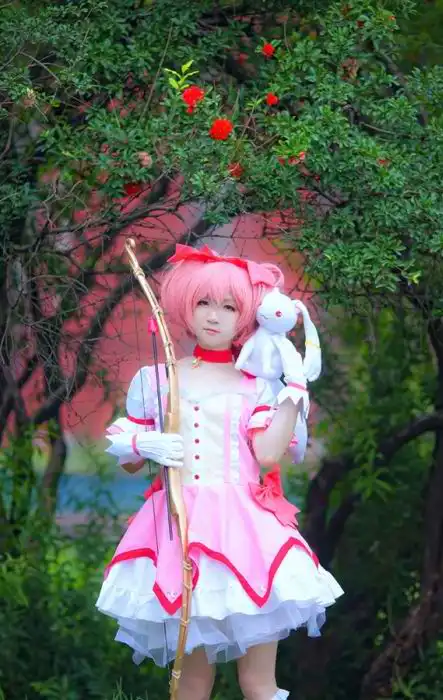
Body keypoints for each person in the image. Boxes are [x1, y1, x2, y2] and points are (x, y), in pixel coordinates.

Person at [96, 244, 343, 700]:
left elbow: (267, 454)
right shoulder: (158, 379)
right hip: (180, 530)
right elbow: (128, 459)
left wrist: (293, 391)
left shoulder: (257, 385)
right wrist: (144, 444)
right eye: (204, 302)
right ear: (186, 306)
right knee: (192, 682)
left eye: (229, 307)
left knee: (258, 683)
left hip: (247, 532)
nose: (214, 316)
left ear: (246, 316)